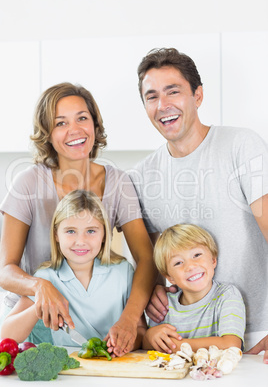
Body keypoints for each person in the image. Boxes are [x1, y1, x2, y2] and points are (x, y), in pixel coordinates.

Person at [129, 48, 268, 360]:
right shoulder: (141, 177)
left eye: (173, 91)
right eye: (151, 97)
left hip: (258, 333)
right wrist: (155, 293)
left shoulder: (241, 146)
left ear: (198, 95)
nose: (162, 105)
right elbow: (157, 263)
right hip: (188, 342)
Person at [0, 82, 156, 356]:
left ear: (95, 124)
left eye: (82, 118)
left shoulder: (117, 182)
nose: (75, 130)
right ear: (47, 134)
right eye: (61, 123)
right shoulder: (28, 183)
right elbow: (5, 269)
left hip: (97, 320)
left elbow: (146, 257)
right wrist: (40, 287)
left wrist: (131, 318)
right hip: (35, 322)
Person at [1, 190, 147, 351]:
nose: (80, 241)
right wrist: (40, 307)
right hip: (68, 369)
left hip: (116, 367)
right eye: (71, 231)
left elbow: (140, 330)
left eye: (91, 231)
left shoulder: (123, 272)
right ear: (56, 235)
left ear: (104, 234)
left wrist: (123, 345)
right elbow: (6, 335)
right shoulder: (46, 277)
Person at [142, 224, 245, 353]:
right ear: (170, 277)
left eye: (196, 255)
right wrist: (149, 336)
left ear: (213, 260)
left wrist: (178, 346)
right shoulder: (164, 305)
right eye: (178, 262)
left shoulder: (227, 296)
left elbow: (231, 344)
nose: (190, 266)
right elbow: (146, 345)